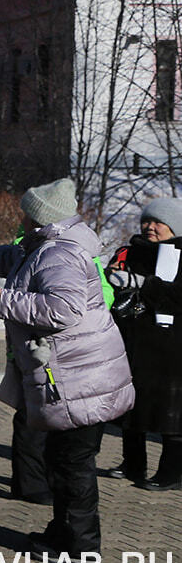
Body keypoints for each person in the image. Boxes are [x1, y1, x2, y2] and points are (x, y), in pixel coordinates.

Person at [0, 177, 134, 558]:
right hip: (72, 377)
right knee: (60, 460)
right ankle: (62, 532)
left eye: (25, 213)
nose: (20, 218)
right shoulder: (42, 246)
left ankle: (82, 548)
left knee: (73, 465)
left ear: (41, 217)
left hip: (80, 379)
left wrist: (4, 296)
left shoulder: (59, 254)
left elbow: (65, 310)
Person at [103, 197, 182, 491]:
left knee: (171, 411)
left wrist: (142, 284)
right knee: (131, 405)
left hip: (172, 347)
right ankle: (133, 463)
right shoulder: (132, 251)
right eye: (146, 221)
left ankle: (172, 472)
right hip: (134, 340)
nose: (150, 227)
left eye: (158, 222)